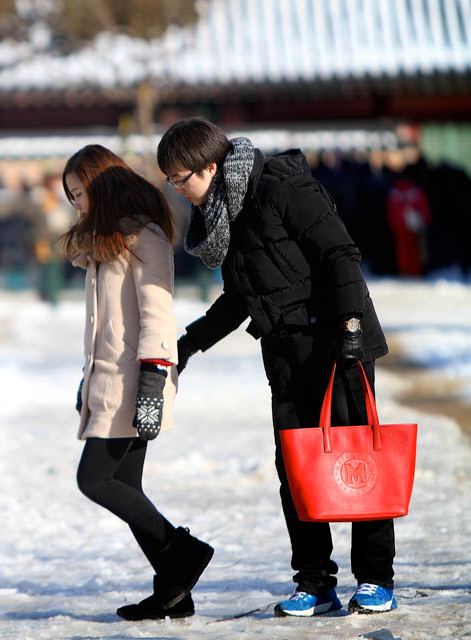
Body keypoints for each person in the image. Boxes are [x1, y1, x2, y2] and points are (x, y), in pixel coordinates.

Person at [156, 118, 394, 616]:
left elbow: (340, 254)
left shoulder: (282, 187)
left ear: (212, 166)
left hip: (337, 342)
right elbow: (241, 295)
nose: (178, 190)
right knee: (297, 469)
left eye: (181, 179)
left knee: (355, 460)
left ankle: (375, 577)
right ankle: (314, 581)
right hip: (285, 350)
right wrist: (189, 343)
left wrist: (350, 327)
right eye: (171, 181)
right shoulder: (229, 210)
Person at [60, 144, 214, 621]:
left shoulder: (143, 237)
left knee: (94, 479)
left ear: (102, 186)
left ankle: (183, 553)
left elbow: (156, 316)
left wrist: (153, 380)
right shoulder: (107, 241)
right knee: (125, 484)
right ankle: (174, 590)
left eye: (79, 193)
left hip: (136, 381)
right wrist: (88, 379)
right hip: (109, 381)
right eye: (70, 197)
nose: (76, 204)